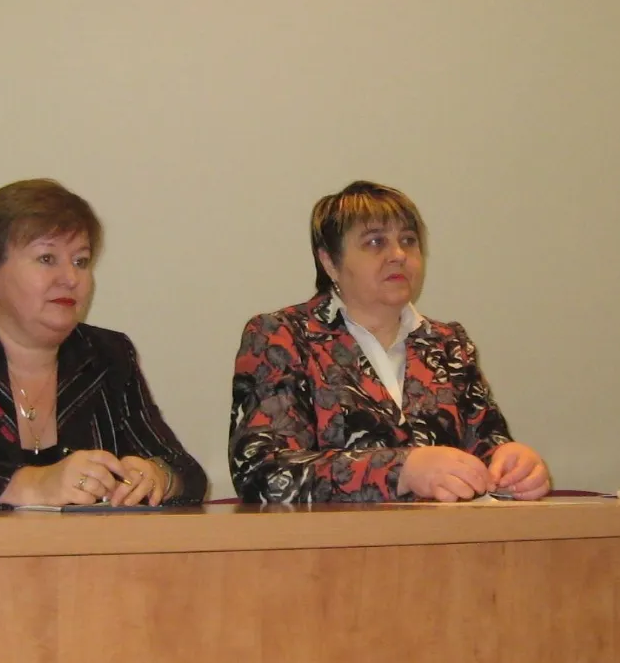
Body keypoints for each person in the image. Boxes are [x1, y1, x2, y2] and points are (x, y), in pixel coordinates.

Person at [0, 179, 207, 509]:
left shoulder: (108, 355)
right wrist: (34, 483)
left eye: (80, 261)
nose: (71, 278)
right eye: (47, 258)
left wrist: (159, 476)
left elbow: (187, 472)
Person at [229, 180, 551, 503]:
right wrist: (403, 471)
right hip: (333, 537)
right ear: (330, 263)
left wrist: (513, 468)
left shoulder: (448, 344)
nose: (398, 255)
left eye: (408, 241)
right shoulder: (282, 336)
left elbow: (488, 450)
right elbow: (261, 472)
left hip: (449, 535)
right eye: (375, 242)